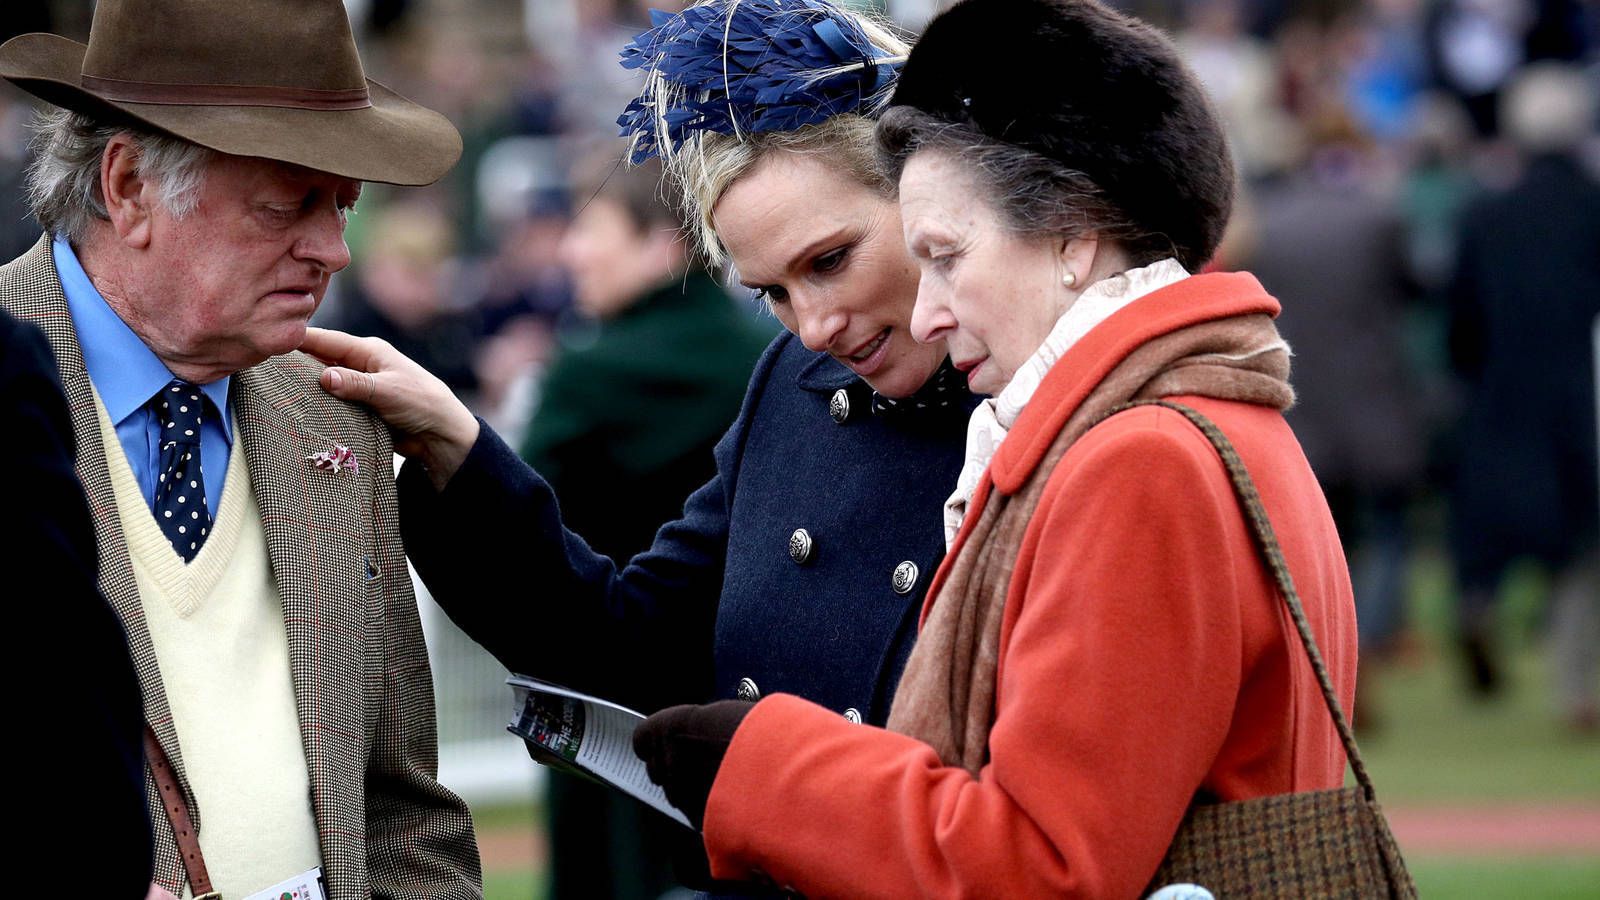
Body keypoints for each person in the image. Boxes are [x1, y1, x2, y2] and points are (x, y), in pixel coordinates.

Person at [629, 1, 1360, 895]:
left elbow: (1040, 869)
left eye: (944, 255)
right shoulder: (1205, 408)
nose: (930, 310)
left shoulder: (1140, 461)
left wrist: (765, 764)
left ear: (1072, 235)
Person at [302, 0, 975, 879]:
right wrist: (457, 449)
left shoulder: (1048, 409)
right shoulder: (792, 385)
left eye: (830, 260)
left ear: (927, 199)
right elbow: (626, 643)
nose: (811, 325)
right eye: (770, 290)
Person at [0, 1, 481, 897]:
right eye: (289, 204)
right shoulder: (0, 389)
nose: (335, 250)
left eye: (344, 205)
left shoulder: (338, 417)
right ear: (130, 186)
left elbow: (406, 817)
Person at [530, 156, 770, 899]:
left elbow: (520, 530)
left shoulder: (590, 375)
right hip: (755, 711)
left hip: (610, 718)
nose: (570, 251)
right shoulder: (770, 361)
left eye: (592, 228)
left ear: (663, 245)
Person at [1445, 63, 1599, 726]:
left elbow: (1460, 319)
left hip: (1500, 393)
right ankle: (1575, 686)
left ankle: (1476, 604)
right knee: (1584, 543)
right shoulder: (1594, 210)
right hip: (1579, 395)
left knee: (1491, 525)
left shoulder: (1487, 213)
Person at [4, 307, 153, 897]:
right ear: (128, 208)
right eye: (277, 210)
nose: (332, 253)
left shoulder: (332, 398)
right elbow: (55, 660)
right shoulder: (12, 355)